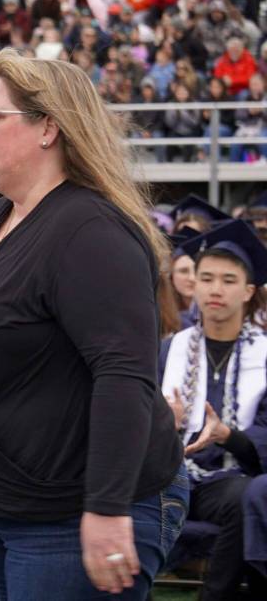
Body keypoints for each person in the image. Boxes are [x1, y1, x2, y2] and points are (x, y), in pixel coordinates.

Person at [0, 49, 186, 598]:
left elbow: (124, 375)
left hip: (75, 506)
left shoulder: (91, 231)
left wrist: (106, 507)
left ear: (48, 129)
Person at [160, 220, 267, 600]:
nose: (215, 289)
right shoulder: (168, 349)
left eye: (228, 280)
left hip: (229, 478)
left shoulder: (264, 353)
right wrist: (163, 422)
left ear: (248, 291)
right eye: (206, 278)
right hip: (168, 473)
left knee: (246, 498)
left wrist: (228, 436)